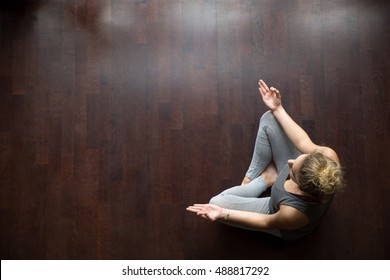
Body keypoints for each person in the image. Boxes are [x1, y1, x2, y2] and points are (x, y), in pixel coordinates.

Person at [186, 79, 344, 240]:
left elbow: (266, 222)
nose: (290, 162)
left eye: (292, 171)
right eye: (300, 158)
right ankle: (255, 178)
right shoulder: (328, 159)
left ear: (300, 186)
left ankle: (264, 180)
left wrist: (222, 214)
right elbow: (303, 142)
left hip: (274, 211)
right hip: (295, 191)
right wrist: (278, 108)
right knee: (270, 118)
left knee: (215, 203)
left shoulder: (294, 213)